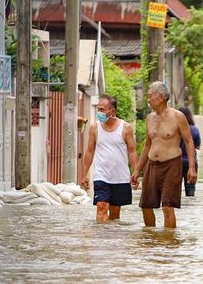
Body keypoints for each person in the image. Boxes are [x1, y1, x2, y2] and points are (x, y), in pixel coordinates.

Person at [130, 82, 196, 228]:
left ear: (160, 98)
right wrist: (137, 170)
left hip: (171, 165)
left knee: (168, 206)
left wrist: (192, 167)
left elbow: (189, 141)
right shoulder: (149, 118)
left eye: (150, 96)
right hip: (152, 165)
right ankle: (150, 240)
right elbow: (148, 145)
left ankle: (168, 243)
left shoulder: (177, 116)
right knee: (145, 206)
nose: (147, 99)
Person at [81, 94, 139, 222]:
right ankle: (101, 239)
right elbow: (90, 151)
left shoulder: (126, 128)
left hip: (120, 176)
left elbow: (132, 151)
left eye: (102, 110)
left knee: (114, 210)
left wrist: (136, 172)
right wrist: (84, 174)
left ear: (112, 111)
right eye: (98, 109)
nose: (99, 113)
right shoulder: (94, 128)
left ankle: (111, 239)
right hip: (101, 175)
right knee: (101, 206)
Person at [178, 107, 201, 196]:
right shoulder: (194, 130)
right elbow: (198, 146)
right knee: (190, 188)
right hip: (191, 162)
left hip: (177, 161)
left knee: (175, 188)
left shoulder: (175, 129)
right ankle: (190, 207)